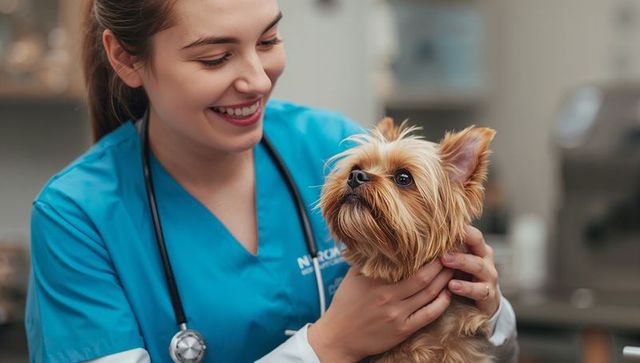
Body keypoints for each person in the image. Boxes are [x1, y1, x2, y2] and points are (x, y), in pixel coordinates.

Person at [24, 0, 518, 362]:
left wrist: (488, 308)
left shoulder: (335, 146)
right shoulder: (77, 216)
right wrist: (328, 347)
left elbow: (492, 349)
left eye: (268, 41)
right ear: (126, 59)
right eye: (215, 58)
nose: (258, 79)